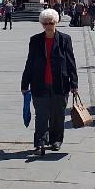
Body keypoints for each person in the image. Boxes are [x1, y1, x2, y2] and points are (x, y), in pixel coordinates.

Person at [21, 9, 78, 155]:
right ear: (42, 24)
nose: (48, 26)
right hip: (39, 83)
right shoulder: (35, 40)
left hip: (60, 83)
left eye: (51, 23)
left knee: (58, 115)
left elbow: (71, 62)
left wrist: (74, 84)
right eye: (45, 23)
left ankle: (55, 140)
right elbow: (30, 62)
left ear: (56, 22)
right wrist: (24, 83)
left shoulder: (65, 39)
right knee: (41, 115)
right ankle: (40, 142)